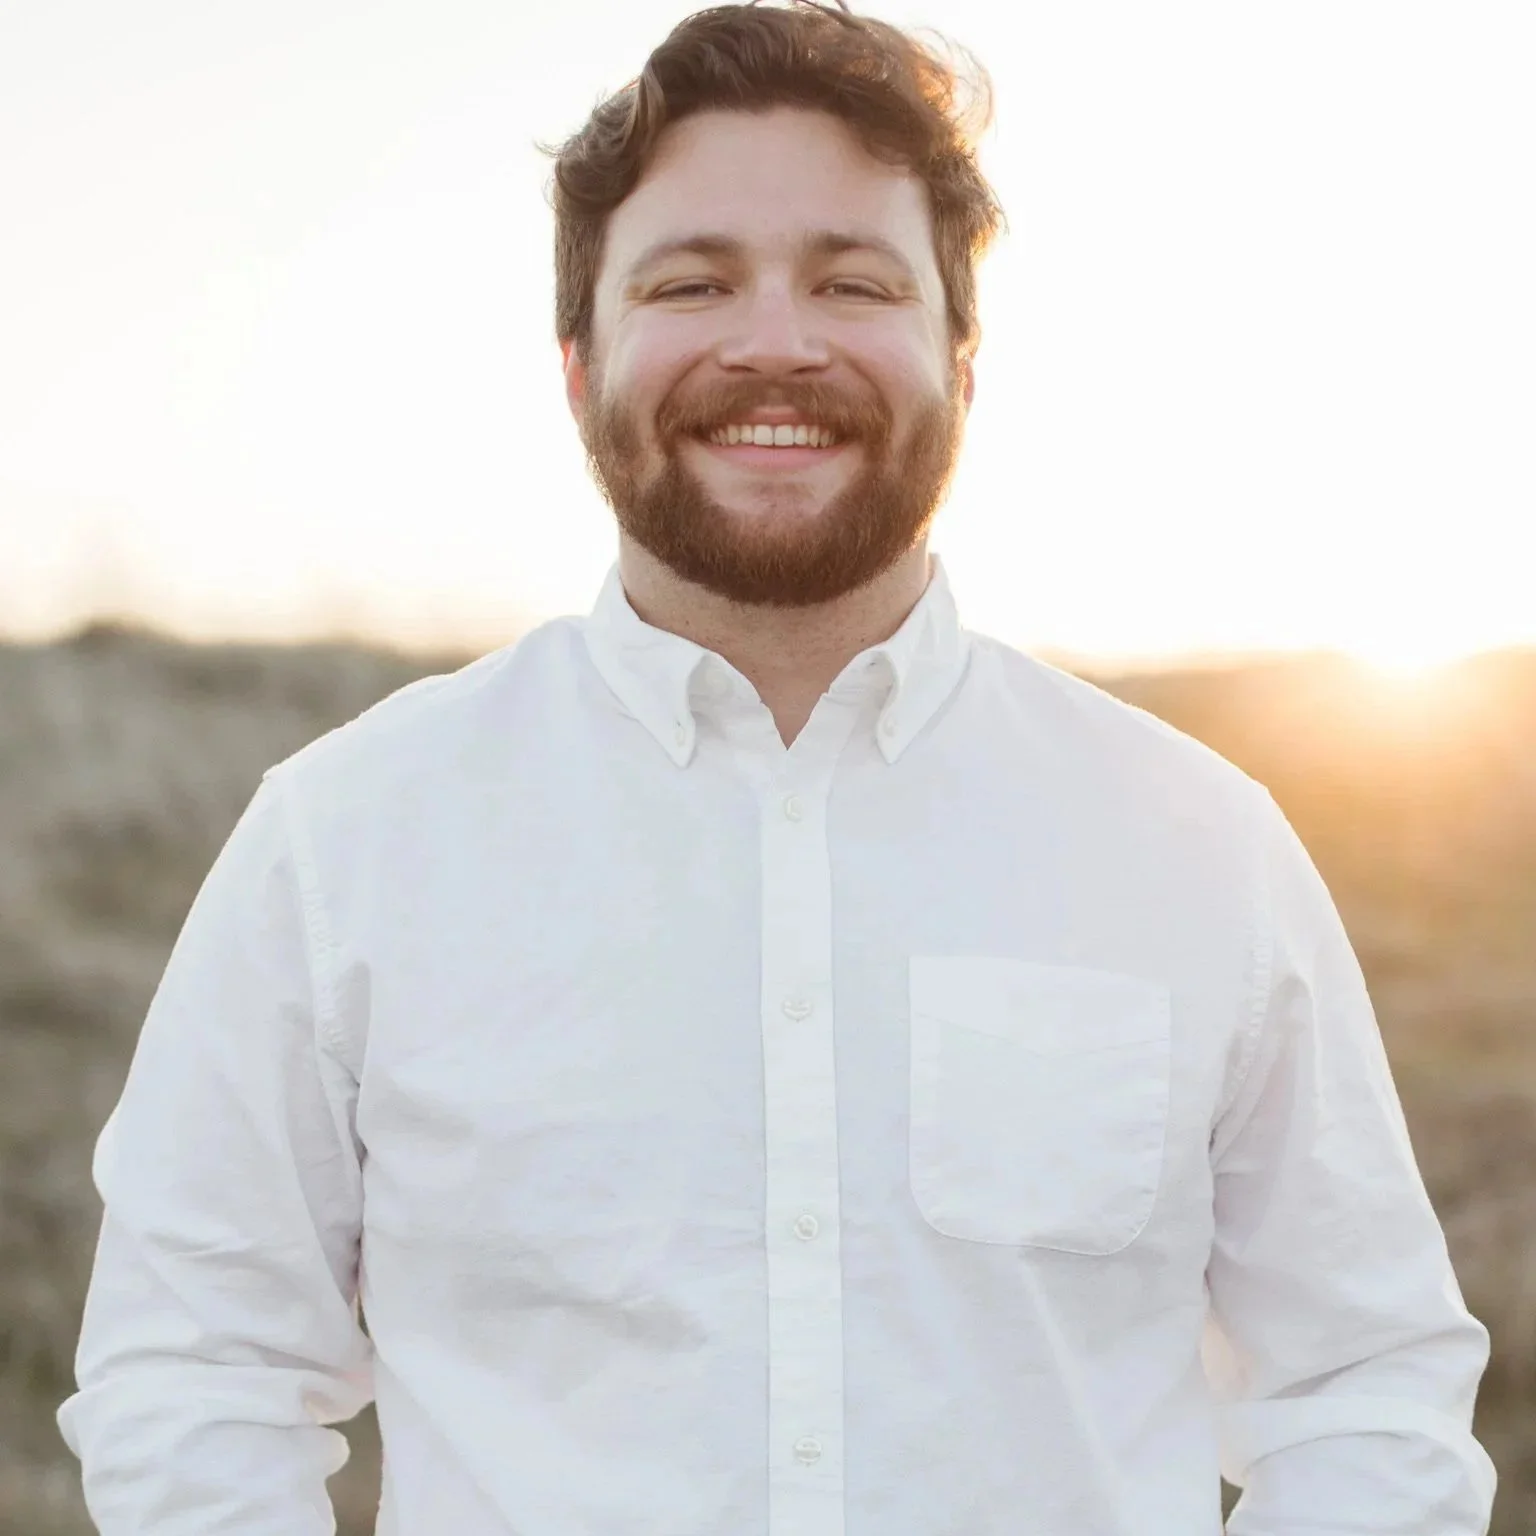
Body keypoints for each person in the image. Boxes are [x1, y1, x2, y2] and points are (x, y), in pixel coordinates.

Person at [58, 2, 1495, 1531]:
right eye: (693, 281)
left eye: (850, 280)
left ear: (960, 353)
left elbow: (1363, 1388)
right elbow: (190, 1375)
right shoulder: (344, 841)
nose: (776, 342)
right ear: (576, 361)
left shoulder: (1200, 845)